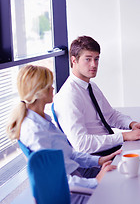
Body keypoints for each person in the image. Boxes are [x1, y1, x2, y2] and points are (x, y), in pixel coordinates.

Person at [7, 65, 119, 203]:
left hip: (76, 180)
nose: (53, 88)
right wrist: (96, 182)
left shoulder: (43, 120)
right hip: (71, 192)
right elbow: (56, 179)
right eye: (49, 85)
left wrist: (98, 160)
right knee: (121, 189)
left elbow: (69, 153)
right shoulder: (34, 131)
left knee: (121, 176)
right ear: (40, 92)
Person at [53, 36, 140, 156]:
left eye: (96, 59)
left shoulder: (91, 86)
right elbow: (81, 144)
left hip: (110, 149)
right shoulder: (69, 96)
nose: (94, 65)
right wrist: (124, 136)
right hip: (96, 158)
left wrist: (132, 124)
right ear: (74, 60)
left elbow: (110, 115)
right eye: (88, 59)